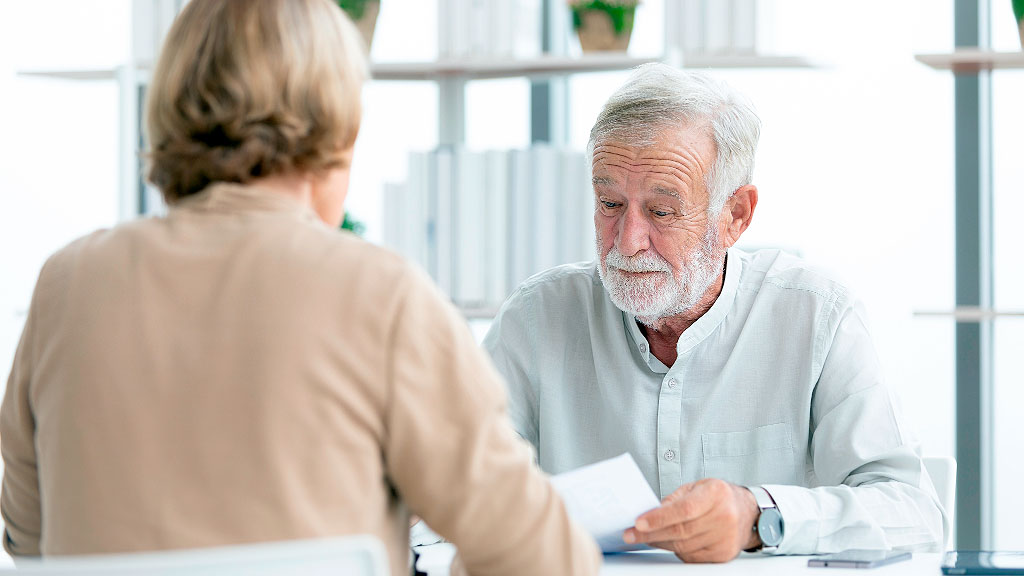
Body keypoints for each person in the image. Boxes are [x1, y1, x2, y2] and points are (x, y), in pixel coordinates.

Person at [0, 2, 601, 575]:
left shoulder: (66, 286)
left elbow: (30, 543)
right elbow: (545, 559)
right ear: (338, 123)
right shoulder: (380, 294)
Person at [483, 63, 947, 563]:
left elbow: (913, 513)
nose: (627, 242)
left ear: (736, 216)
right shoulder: (536, 318)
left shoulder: (816, 315)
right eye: (610, 203)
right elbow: (452, 488)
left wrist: (758, 515)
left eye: (662, 212)